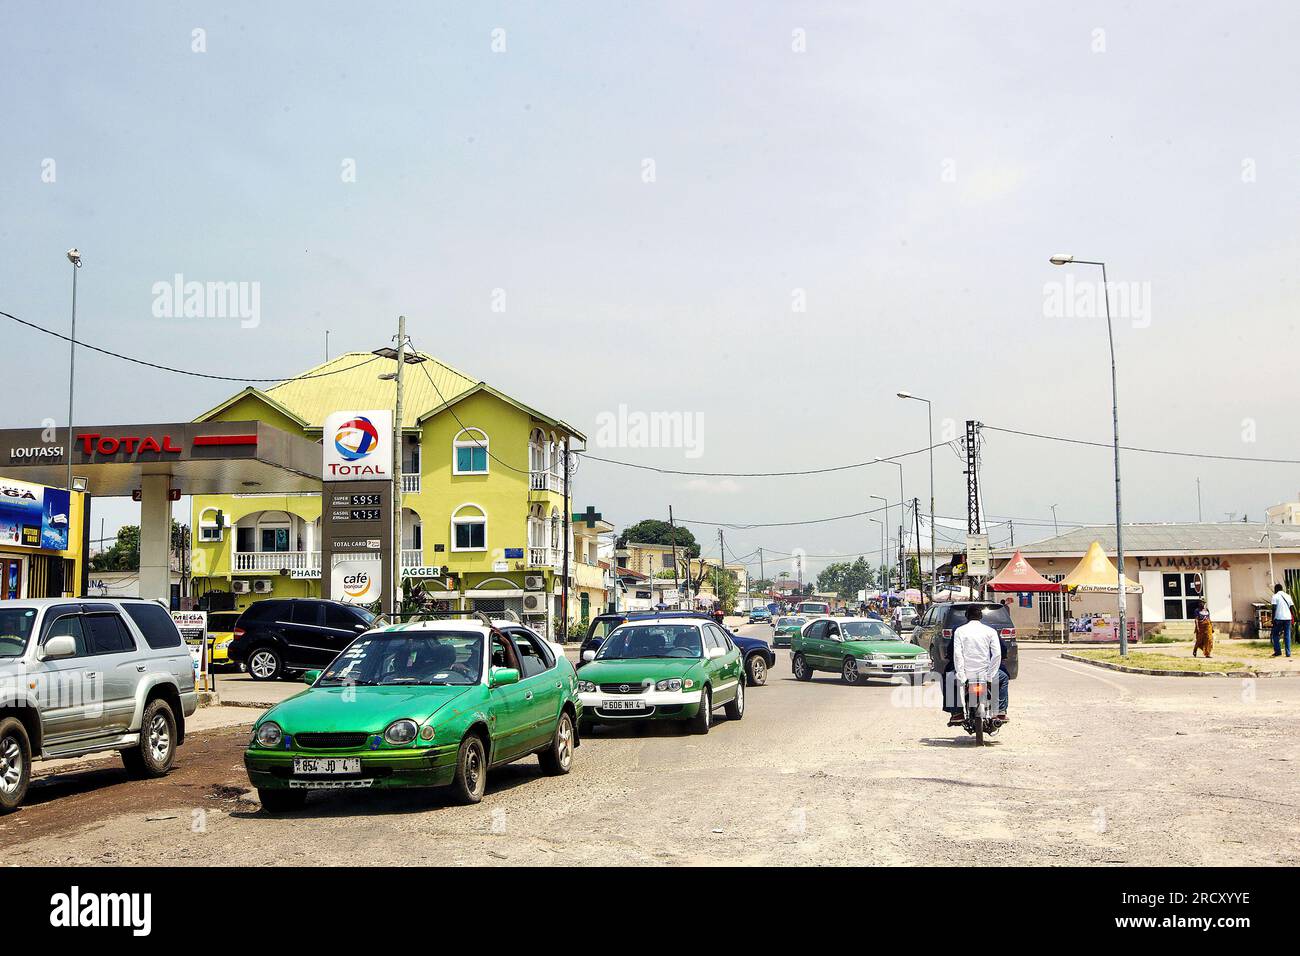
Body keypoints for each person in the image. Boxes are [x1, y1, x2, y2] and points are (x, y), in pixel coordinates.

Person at [948, 604, 1009, 727]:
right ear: (981, 616)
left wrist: (961, 674)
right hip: (985, 673)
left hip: (967, 673)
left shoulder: (960, 631)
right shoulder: (990, 631)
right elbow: (997, 654)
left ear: (966, 616)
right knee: (1004, 678)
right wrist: (990, 675)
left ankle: (957, 713)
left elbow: (957, 654)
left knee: (949, 679)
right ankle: (1000, 711)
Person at [1271, 584, 1294, 658]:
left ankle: (1278, 652)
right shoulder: (1288, 596)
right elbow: (1292, 608)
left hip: (1279, 618)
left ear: (1276, 589)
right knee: (1287, 635)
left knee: (1275, 635)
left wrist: (1273, 619)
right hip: (1288, 618)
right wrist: (1291, 617)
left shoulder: (1275, 596)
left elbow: (1274, 608)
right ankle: (1288, 653)